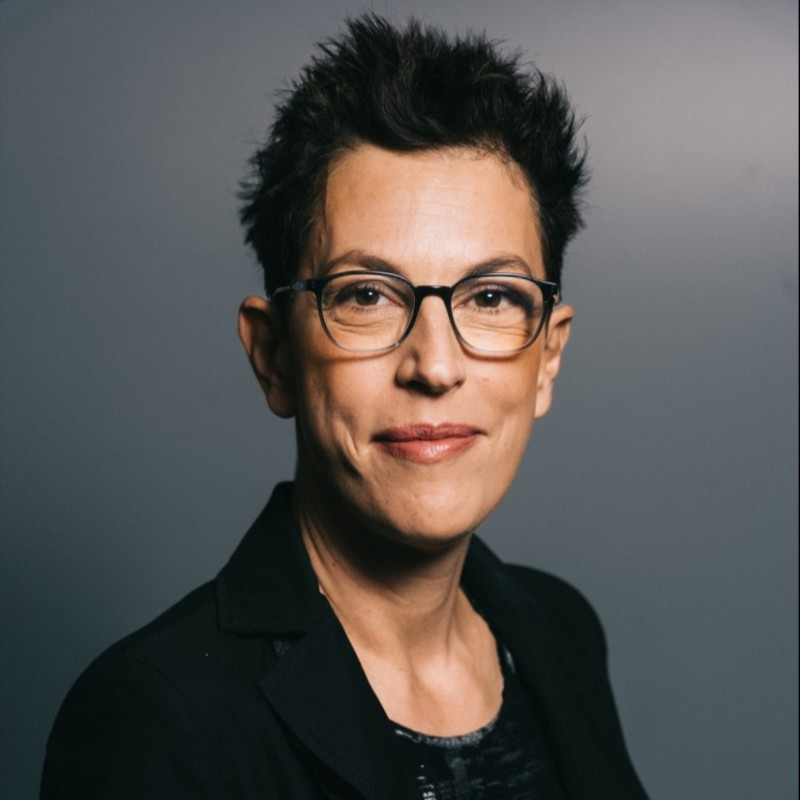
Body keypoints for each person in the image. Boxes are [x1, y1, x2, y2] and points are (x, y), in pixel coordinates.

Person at [41, 13, 649, 799]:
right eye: (366, 295)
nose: (434, 365)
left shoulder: (559, 631)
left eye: (491, 296)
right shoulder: (157, 718)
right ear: (273, 356)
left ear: (547, 358)